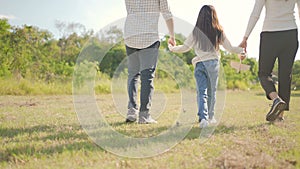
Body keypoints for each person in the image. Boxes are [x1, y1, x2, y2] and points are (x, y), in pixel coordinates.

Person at [169, 5, 245, 128]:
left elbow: (185, 48)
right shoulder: (219, 31)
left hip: (199, 64)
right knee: (211, 92)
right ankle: (211, 117)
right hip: (213, 64)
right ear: (214, 15)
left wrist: (172, 48)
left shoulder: (195, 32)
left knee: (201, 92)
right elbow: (230, 48)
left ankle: (203, 119)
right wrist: (242, 50)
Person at [239, 0, 299, 122]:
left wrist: (245, 37)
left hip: (270, 35)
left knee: (264, 73)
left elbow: (255, 14)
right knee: (285, 76)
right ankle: (280, 116)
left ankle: (276, 99)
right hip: (291, 34)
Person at [124, 0, 175, 124]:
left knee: (133, 75)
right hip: (149, 37)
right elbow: (167, 14)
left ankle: (132, 111)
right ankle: (144, 115)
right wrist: (172, 36)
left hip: (130, 37)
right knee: (147, 76)